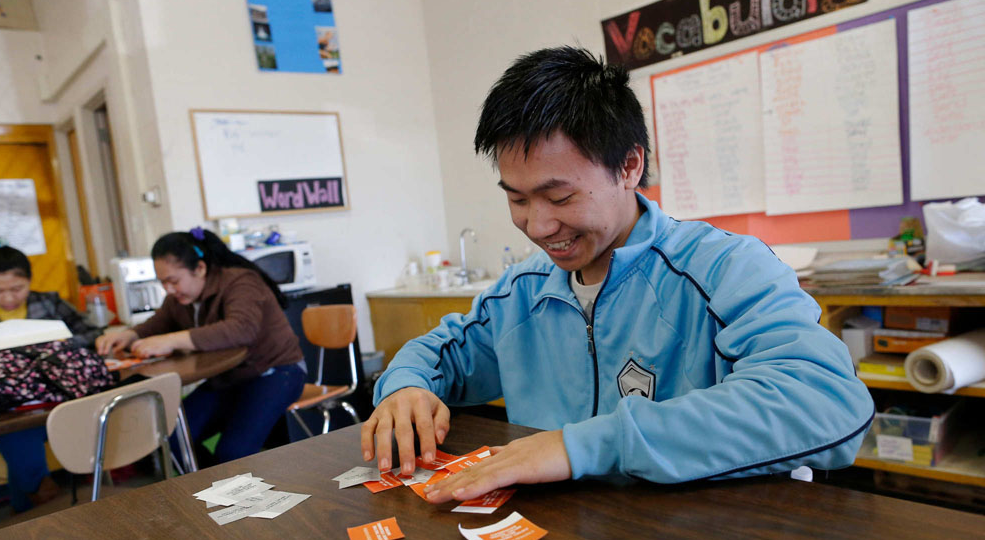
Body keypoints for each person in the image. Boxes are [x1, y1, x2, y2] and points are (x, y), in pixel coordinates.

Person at [360, 46, 875, 504]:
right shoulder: (525, 291)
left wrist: (576, 446)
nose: (538, 226)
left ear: (629, 166)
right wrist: (404, 387)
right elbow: (440, 352)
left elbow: (826, 402)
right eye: (517, 199)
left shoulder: (724, 268)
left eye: (560, 197)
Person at [96, 228, 305, 466]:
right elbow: (158, 323)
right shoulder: (179, 299)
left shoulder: (240, 282)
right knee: (172, 438)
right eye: (163, 282)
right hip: (230, 377)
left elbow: (241, 330)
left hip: (276, 371)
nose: (169, 290)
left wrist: (171, 340)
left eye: (173, 281)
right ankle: (211, 487)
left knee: (232, 452)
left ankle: (228, 484)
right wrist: (128, 335)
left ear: (200, 269)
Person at [0, 240, 102, 512]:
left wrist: (57, 346)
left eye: (17, 288)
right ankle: (40, 502)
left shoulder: (49, 303)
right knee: (16, 432)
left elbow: (92, 333)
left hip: (56, 396)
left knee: (21, 437)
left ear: (29, 281)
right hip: (5, 408)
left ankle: (31, 511)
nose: (8, 298)